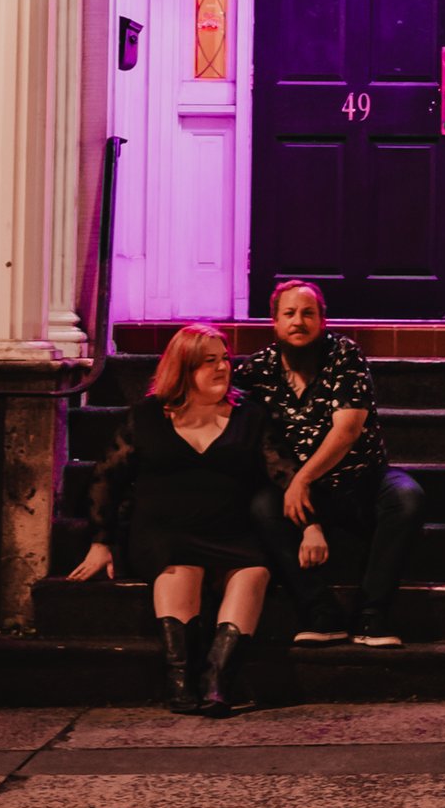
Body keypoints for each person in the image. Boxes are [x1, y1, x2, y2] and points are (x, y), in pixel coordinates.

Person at [66, 325, 273, 714]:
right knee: (182, 567)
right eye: (208, 361)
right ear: (183, 368)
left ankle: (216, 681)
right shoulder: (146, 417)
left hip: (229, 530)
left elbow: (283, 472)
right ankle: (180, 680)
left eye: (224, 358)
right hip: (164, 532)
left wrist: (311, 521)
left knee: (254, 572)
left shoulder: (250, 416)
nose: (222, 367)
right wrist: (100, 541)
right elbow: (105, 479)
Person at [240, 278, 424, 648]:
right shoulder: (256, 371)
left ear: (323, 320)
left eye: (308, 313)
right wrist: (308, 515)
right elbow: (260, 444)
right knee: (261, 505)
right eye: (289, 313)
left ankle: (372, 615)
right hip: (294, 487)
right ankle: (319, 613)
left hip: (360, 479)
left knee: (407, 497)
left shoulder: (345, 354)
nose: (298, 321)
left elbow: (347, 430)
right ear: (274, 322)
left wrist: (303, 480)